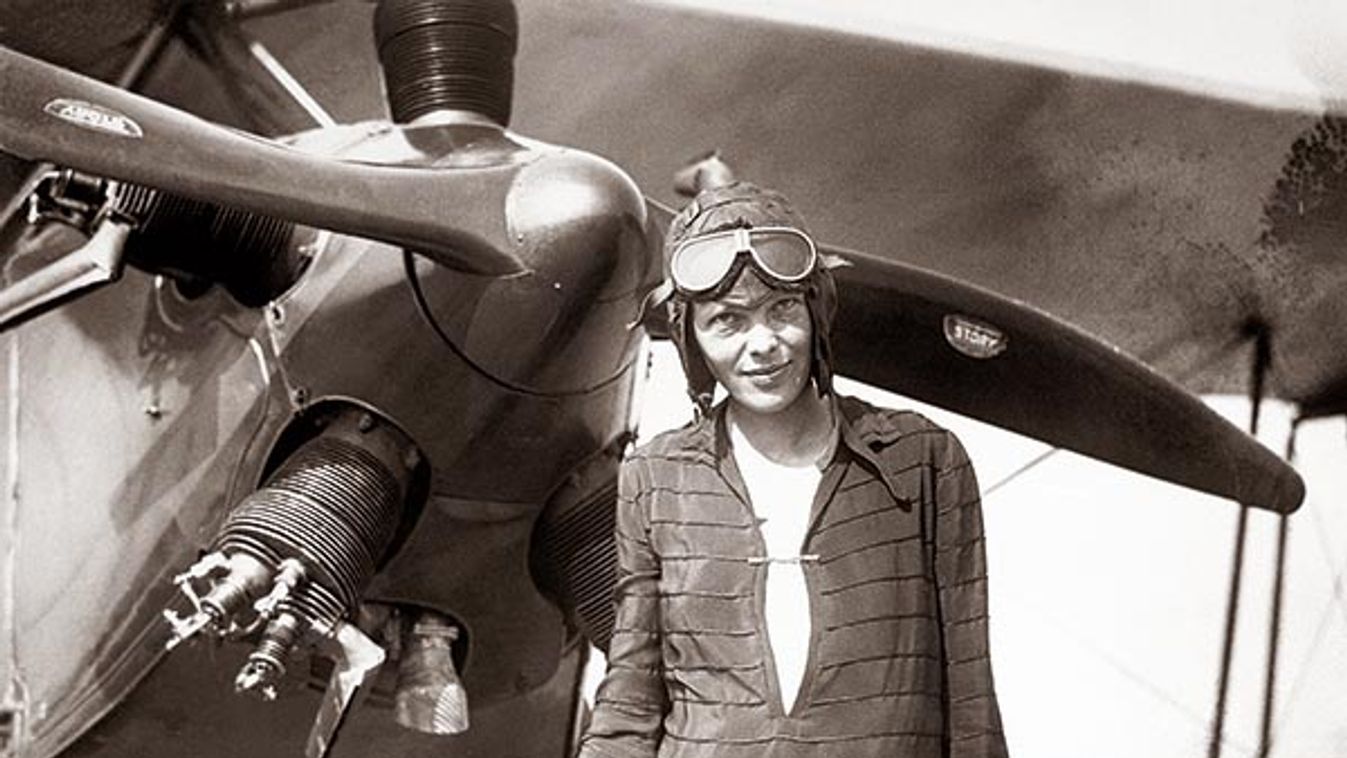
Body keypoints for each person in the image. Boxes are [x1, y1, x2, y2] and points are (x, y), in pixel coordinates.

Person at [579, 182, 1007, 758]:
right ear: (691, 338)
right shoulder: (654, 478)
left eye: (781, 308)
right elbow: (632, 697)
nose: (763, 344)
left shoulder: (924, 460)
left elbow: (972, 704)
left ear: (816, 311)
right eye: (727, 321)